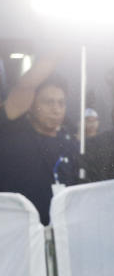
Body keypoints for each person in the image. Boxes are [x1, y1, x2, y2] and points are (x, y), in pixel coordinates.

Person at [0, 70, 78, 224]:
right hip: (18, 232)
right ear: (30, 104)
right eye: (48, 102)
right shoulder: (10, 135)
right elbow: (24, 87)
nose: (56, 109)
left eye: (61, 103)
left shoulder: (71, 144)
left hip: (62, 232)